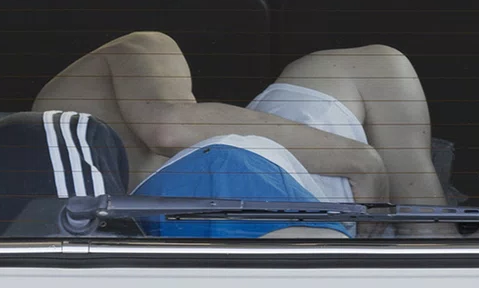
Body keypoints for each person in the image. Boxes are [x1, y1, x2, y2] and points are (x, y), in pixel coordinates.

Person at [33, 30, 445, 211]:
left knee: (375, 63)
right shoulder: (141, 45)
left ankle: (429, 237)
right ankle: (429, 240)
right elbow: (170, 128)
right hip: (182, 224)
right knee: (375, 65)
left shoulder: (64, 100)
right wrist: (363, 161)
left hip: (234, 209)